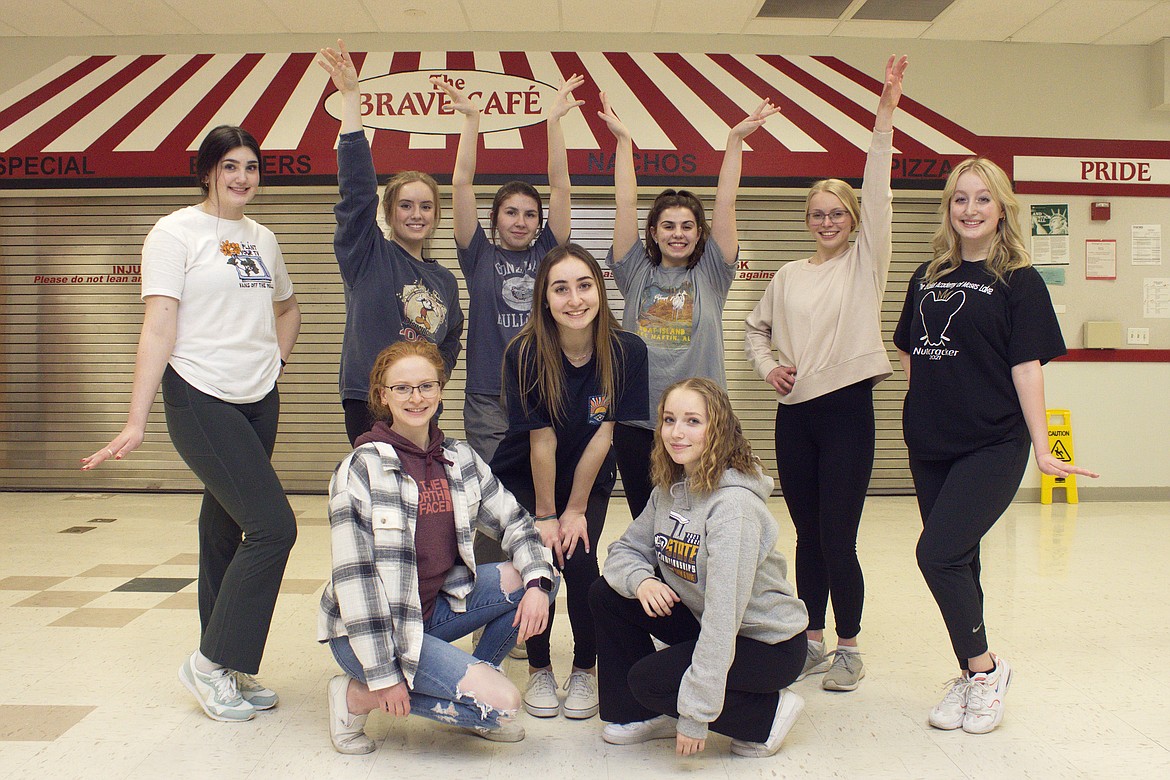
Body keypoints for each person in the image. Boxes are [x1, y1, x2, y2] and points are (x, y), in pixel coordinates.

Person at [81, 125, 302, 723]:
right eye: (230, 166)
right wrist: (136, 418)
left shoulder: (264, 238)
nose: (242, 178)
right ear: (207, 171)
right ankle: (207, 663)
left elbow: (288, 307)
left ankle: (226, 663)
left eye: (251, 167)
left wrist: (274, 362)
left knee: (224, 531)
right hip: (200, 396)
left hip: (259, 396)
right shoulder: (175, 231)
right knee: (275, 528)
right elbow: (158, 326)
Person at [893, 157, 1098, 735]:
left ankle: (985, 671)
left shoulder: (1020, 281)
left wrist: (1042, 446)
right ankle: (969, 673)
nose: (971, 209)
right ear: (948, 208)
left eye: (983, 199)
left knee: (936, 553)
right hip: (930, 441)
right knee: (961, 560)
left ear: (1002, 207)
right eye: (960, 199)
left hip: (993, 441)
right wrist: (921, 412)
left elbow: (1027, 367)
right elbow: (911, 352)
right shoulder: (926, 274)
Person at [743, 55, 908, 692]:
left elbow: (879, 189)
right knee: (806, 535)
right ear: (806, 219)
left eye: (837, 212)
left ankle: (849, 646)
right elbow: (755, 329)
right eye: (817, 213)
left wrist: (884, 115)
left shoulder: (867, 264)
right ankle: (810, 639)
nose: (827, 221)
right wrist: (770, 368)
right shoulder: (788, 276)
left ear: (854, 220)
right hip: (795, 416)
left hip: (846, 411)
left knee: (839, 536)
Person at [319, 340, 558, 754]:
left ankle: (475, 679)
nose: (416, 397)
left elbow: (515, 520)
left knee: (539, 576)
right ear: (382, 396)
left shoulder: (458, 458)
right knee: (504, 707)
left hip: (433, 612)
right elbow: (355, 584)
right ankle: (354, 697)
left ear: (441, 389)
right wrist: (383, 677)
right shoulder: (360, 469)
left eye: (426, 385)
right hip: (372, 633)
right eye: (403, 388)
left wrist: (537, 586)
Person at [590, 378, 809, 758]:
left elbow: (725, 616)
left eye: (693, 421)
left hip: (765, 644)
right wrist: (641, 580)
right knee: (608, 593)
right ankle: (642, 713)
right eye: (669, 419)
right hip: (704, 616)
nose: (677, 433)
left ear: (718, 429)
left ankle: (768, 713)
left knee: (649, 681)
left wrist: (694, 714)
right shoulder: (672, 488)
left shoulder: (734, 509)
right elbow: (623, 550)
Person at [598, 92, 777, 519]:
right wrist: (623, 143)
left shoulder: (712, 273)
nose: (678, 234)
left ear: (699, 234)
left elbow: (727, 204)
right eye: (668, 226)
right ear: (654, 233)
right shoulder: (635, 272)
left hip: (702, 422)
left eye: (687, 226)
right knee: (650, 519)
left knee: (699, 519)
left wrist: (735, 141)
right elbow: (625, 203)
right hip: (641, 423)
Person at [438, 72, 584, 592]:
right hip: (488, 399)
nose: (520, 221)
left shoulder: (550, 254)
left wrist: (553, 123)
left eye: (529, 214)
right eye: (510, 213)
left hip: (543, 394)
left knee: (539, 499)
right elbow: (459, 185)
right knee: (489, 500)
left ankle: (537, 595)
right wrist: (471, 122)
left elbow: (563, 186)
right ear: (495, 218)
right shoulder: (477, 254)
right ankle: (487, 605)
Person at [489, 244, 648, 720]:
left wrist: (575, 510)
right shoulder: (526, 352)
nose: (575, 299)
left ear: (599, 290)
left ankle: (585, 667)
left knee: (578, 562)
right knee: (536, 560)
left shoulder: (627, 351)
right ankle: (538, 667)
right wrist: (544, 516)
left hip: (589, 474)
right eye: (561, 289)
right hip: (527, 473)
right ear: (545, 298)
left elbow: (605, 436)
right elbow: (542, 442)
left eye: (584, 286)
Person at [318, 40, 464, 446]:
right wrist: (352, 100)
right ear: (388, 212)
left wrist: (436, 374)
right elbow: (356, 191)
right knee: (381, 495)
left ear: (435, 215)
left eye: (426, 206)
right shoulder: (367, 254)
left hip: (422, 400)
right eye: (405, 205)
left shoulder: (445, 281)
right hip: (369, 400)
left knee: (420, 494)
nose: (416, 214)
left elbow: (451, 336)